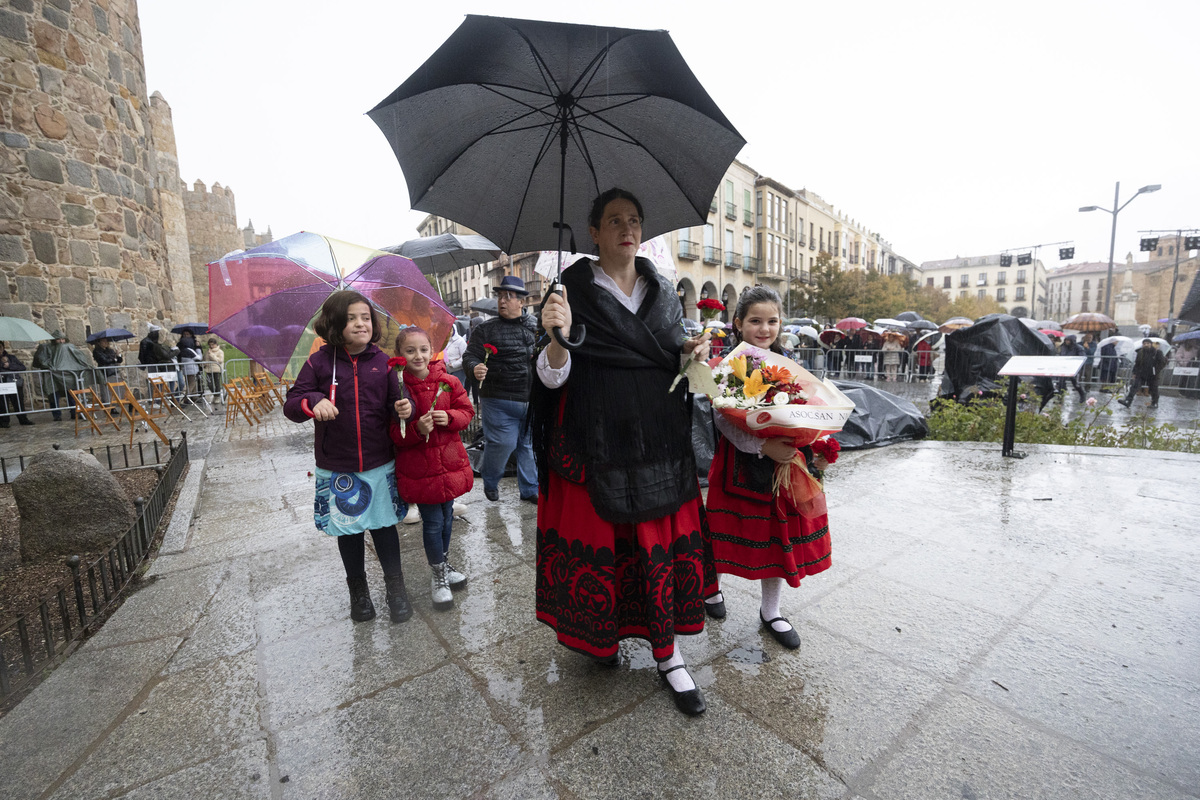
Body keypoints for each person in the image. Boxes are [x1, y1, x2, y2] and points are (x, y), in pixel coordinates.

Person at [532, 188, 718, 716]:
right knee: (609, 544)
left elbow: (664, 351)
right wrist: (555, 338)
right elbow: (550, 378)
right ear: (593, 232)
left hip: (656, 440)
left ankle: (670, 654)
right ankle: (602, 637)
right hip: (593, 439)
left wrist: (687, 350)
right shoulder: (567, 291)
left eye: (634, 220)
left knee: (656, 541)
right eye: (614, 221)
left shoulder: (661, 289)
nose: (626, 229)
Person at [703, 286, 833, 655]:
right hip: (739, 462)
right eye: (756, 321)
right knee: (725, 531)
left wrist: (813, 443)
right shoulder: (728, 366)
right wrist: (762, 445)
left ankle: (771, 611)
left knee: (778, 538)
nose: (764, 328)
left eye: (772, 321)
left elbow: (807, 408)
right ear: (739, 323)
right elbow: (724, 420)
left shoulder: (789, 364)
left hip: (783, 466)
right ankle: (711, 587)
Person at [283, 291, 415, 624]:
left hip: (378, 461)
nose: (361, 323)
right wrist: (313, 400)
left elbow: (399, 404)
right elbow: (292, 403)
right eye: (352, 318)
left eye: (366, 317)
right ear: (335, 323)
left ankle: (396, 589)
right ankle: (358, 592)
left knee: (385, 528)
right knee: (350, 531)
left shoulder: (384, 363)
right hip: (338, 465)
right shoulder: (319, 363)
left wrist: (405, 407)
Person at [389, 327, 475, 611]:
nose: (418, 355)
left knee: (448, 517)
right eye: (410, 350)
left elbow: (467, 412)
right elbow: (394, 434)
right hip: (420, 469)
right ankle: (438, 575)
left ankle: (445, 563)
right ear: (400, 355)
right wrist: (415, 429)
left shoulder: (448, 381)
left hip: (449, 463)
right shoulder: (398, 389)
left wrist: (449, 416)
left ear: (432, 351)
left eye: (423, 349)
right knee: (434, 522)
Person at [462, 275, 539, 503]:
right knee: (502, 444)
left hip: (531, 399)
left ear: (522, 302)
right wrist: (475, 368)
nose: (502, 301)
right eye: (500, 296)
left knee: (527, 445)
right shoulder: (485, 329)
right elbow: (470, 356)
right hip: (499, 400)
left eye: (508, 296)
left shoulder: (536, 326)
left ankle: (529, 489)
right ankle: (491, 478)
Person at [33, 330, 87, 421]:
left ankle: (74, 412)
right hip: (52, 376)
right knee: (54, 395)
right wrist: (53, 366)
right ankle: (57, 415)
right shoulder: (45, 347)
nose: (61, 341)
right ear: (54, 340)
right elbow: (41, 360)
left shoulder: (67, 347)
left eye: (63, 339)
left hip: (67, 375)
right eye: (59, 339)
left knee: (72, 394)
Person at [1119, 339, 1167, 409]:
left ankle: (1154, 403)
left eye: (1148, 343)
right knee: (1134, 387)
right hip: (1141, 373)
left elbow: (1162, 363)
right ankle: (1128, 401)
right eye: (1144, 343)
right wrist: (1135, 372)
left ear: (1151, 344)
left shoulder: (1157, 352)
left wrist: (1156, 370)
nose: (1146, 345)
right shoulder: (1141, 352)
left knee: (1154, 389)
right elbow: (1137, 363)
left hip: (1152, 375)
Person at [0, 341, 34, 427]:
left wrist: (9, 365)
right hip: (2, 383)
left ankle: (23, 419)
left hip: (13, 382)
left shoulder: (11, 357)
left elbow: (22, 367)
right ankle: (4, 422)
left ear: (3, 348)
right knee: (3, 403)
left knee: (18, 402)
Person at [1056, 335, 1087, 402]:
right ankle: (1060, 398)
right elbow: (1060, 354)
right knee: (1061, 383)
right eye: (1066, 340)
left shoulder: (1078, 348)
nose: (1067, 342)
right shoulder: (1063, 346)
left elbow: (1082, 357)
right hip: (1064, 367)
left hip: (1074, 368)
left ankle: (1082, 394)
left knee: (1075, 383)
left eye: (1068, 340)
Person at [91, 336, 123, 401]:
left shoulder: (110, 350)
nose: (106, 343)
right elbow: (104, 360)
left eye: (106, 341)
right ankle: (107, 404)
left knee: (116, 388)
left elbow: (119, 360)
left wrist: (118, 355)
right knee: (106, 389)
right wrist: (114, 359)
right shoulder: (97, 351)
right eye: (103, 341)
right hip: (104, 372)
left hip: (113, 371)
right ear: (99, 343)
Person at [176, 331, 202, 403]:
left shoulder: (181, 350)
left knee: (191, 382)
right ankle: (187, 397)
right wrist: (198, 348)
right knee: (192, 383)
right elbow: (199, 357)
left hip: (185, 368)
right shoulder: (190, 350)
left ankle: (194, 396)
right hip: (192, 369)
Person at [442, 323, 469, 391]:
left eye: (450, 331)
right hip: (447, 370)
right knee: (449, 390)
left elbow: (465, 356)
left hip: (458, 370)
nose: (448, 333)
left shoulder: (460, 341)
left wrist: (454, 364)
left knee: (458, 388)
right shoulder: (444, 341)